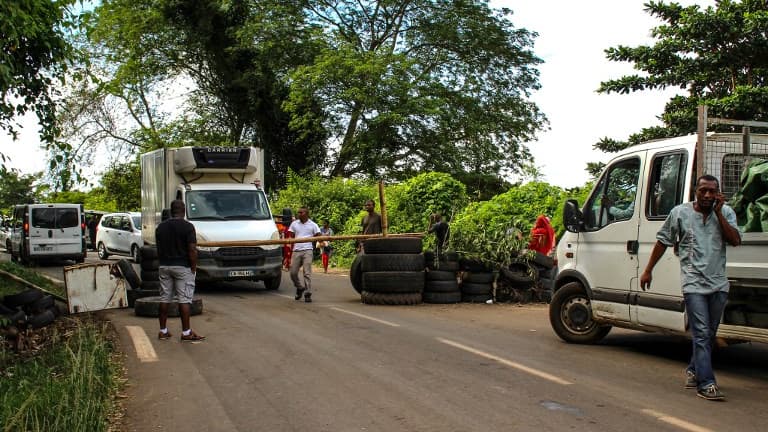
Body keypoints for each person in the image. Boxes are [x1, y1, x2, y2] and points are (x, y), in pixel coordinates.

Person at [640, 175, 741, 401]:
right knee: (702, 333)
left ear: (718, 193)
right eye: (703, 190)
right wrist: (648, 270)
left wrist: (717, 214)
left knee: (709, 334)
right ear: (695, 191)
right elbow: (663, 241)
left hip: (718, 284)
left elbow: (735, 240)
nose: (707, 195)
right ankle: (706, 383)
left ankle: (694, 370)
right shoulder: (680, 213)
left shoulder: (726, 213)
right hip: (693, 283)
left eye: (712, 191)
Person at [156, 200, 205, 342]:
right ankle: (186, 332)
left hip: (164, 266)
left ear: (171, 211)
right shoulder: (188, 227)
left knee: (164, 298)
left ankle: (163, 331)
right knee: (184, 300)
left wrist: (163, 263)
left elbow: (158, 250)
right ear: (184, 210)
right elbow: (192, 250)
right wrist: (193, 267)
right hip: (182, 267)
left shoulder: (160, 228)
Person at [289, 207, 321, 302]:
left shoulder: (313, 225)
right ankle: (299, 287)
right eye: (298, 212)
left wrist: (322, 240)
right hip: (297, 250)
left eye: (301, 212)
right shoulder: (294, 224)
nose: (299, 214)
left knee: (307, 273)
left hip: (308, 250)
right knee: (293, 273)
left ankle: (307, 293)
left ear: (306, 214)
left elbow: (319, 236)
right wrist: (290, 240)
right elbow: (291, 235)